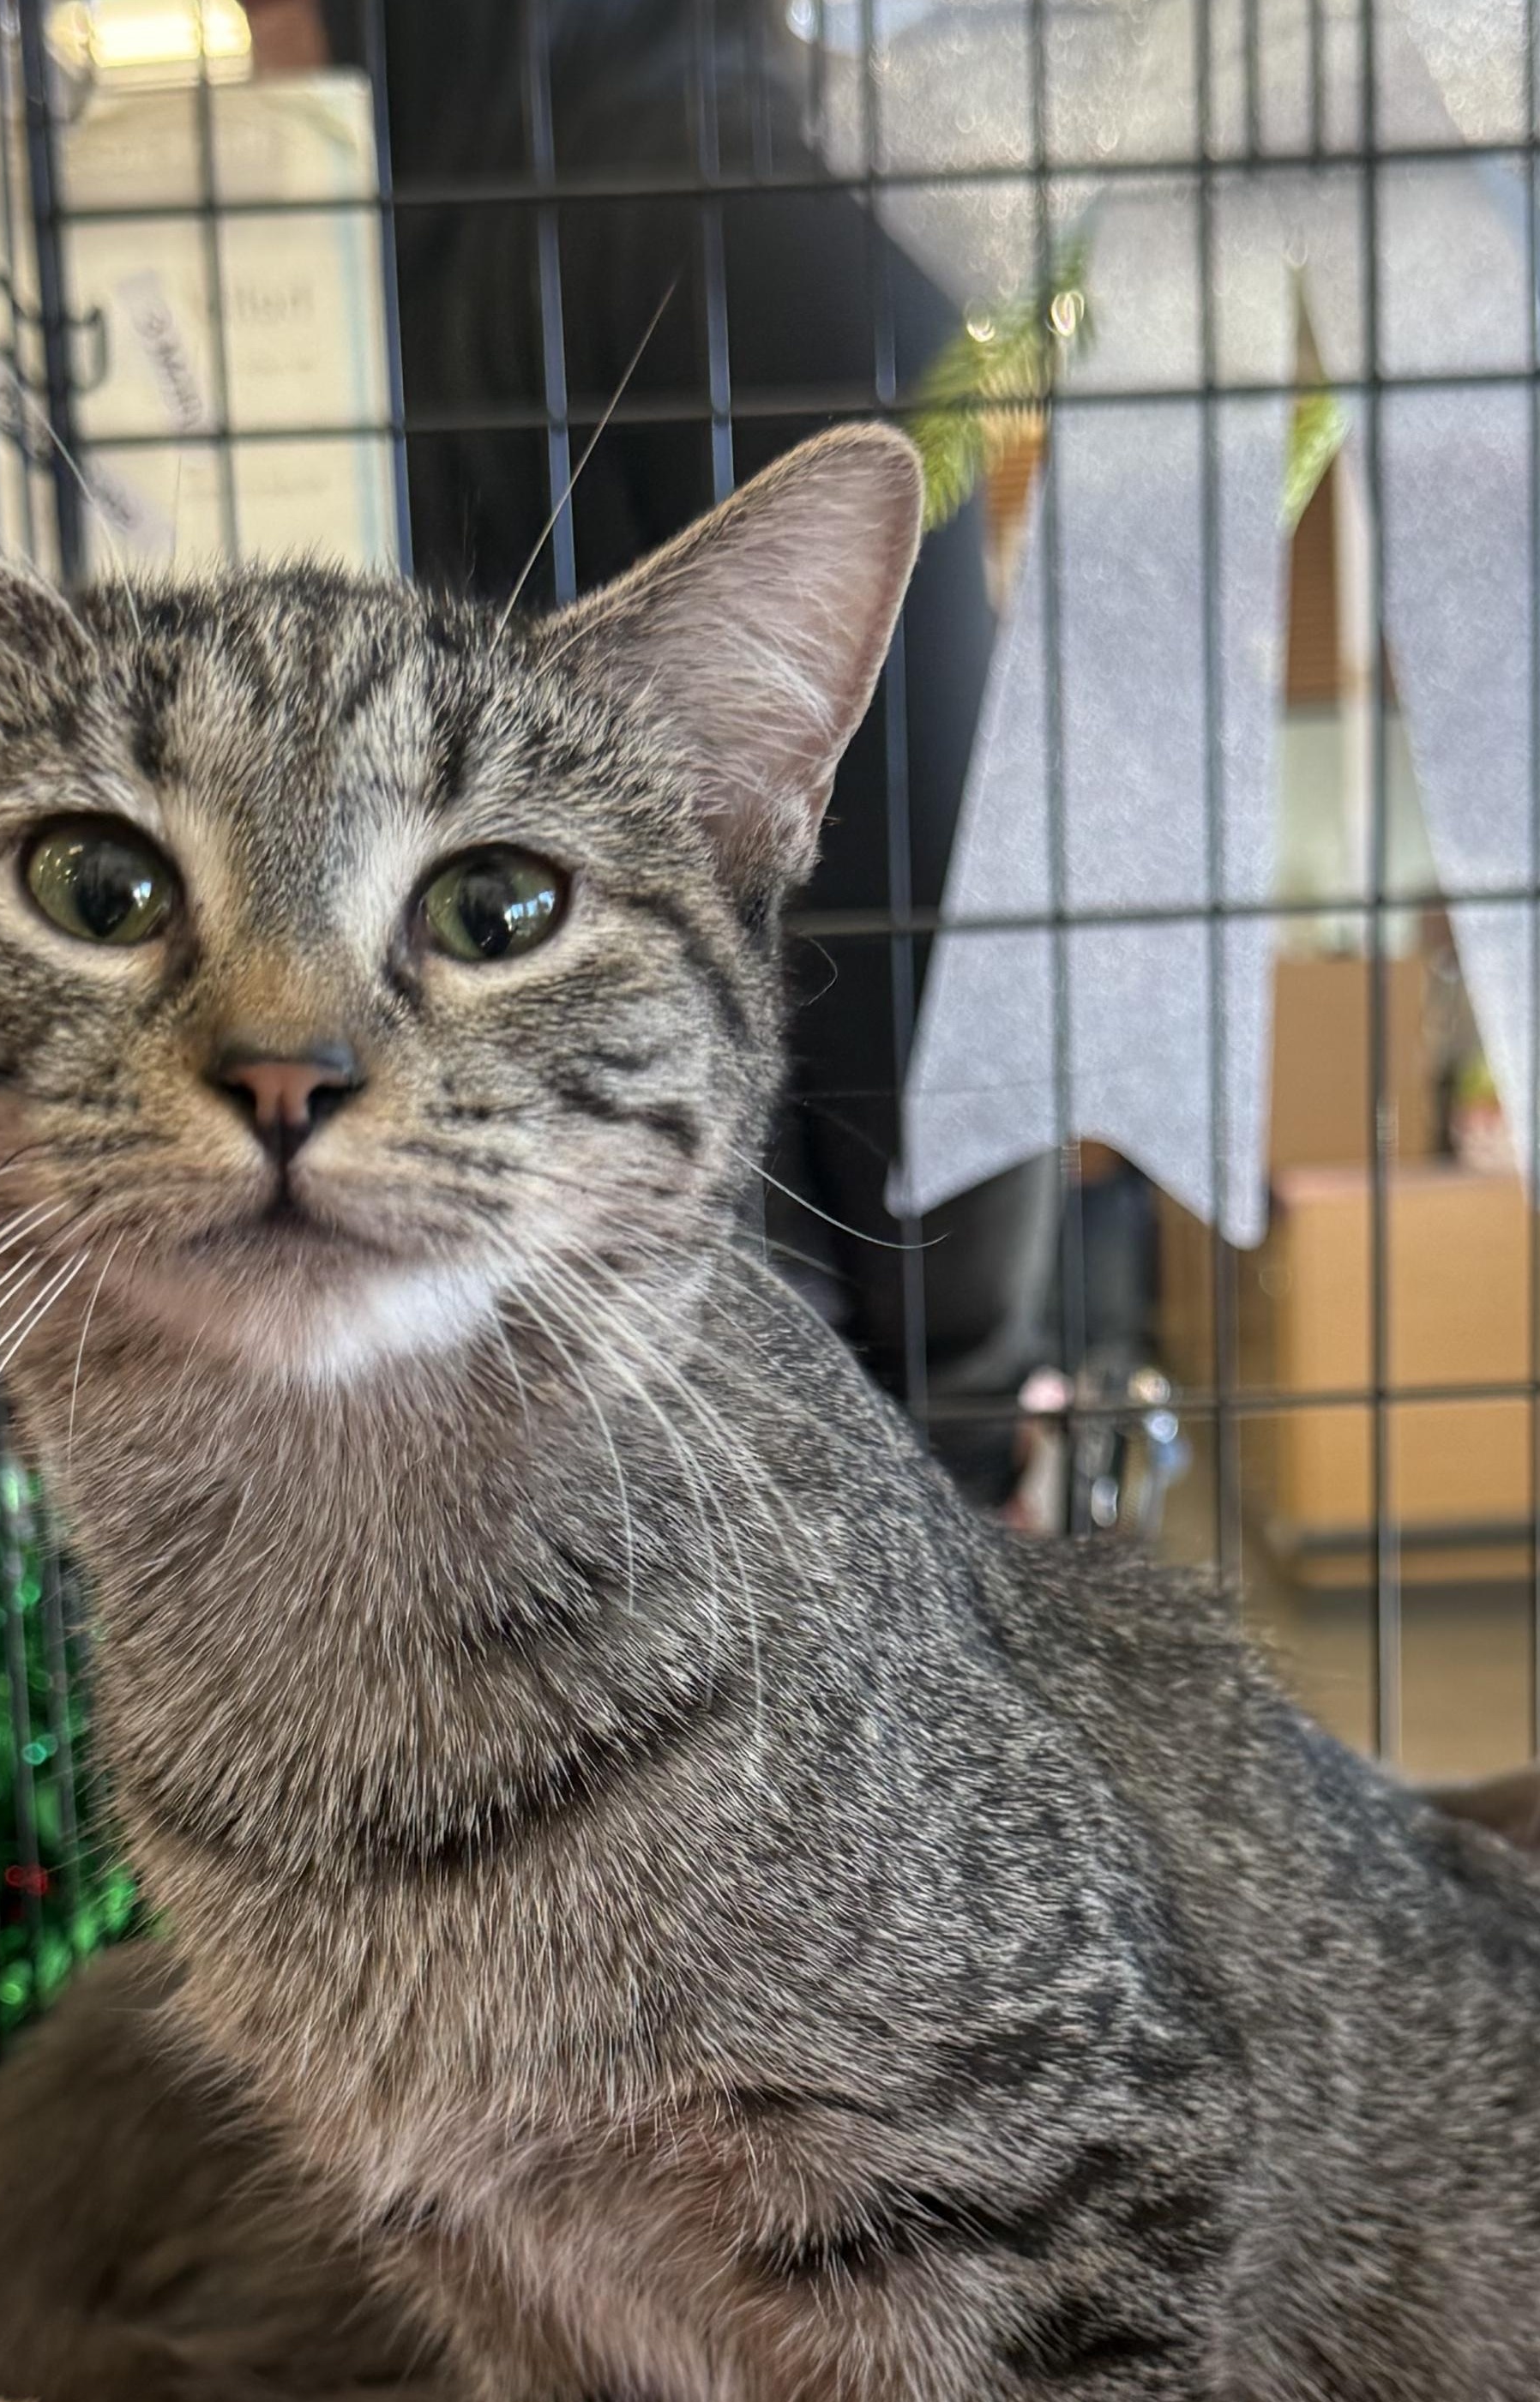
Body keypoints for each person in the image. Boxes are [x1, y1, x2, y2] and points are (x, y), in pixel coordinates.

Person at [329, 0, 1060, 1496]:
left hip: (450, 1314)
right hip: (734, 1357)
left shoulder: (369, 290)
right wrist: (973, 1389)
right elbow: (926, 884)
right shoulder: (781, 234)